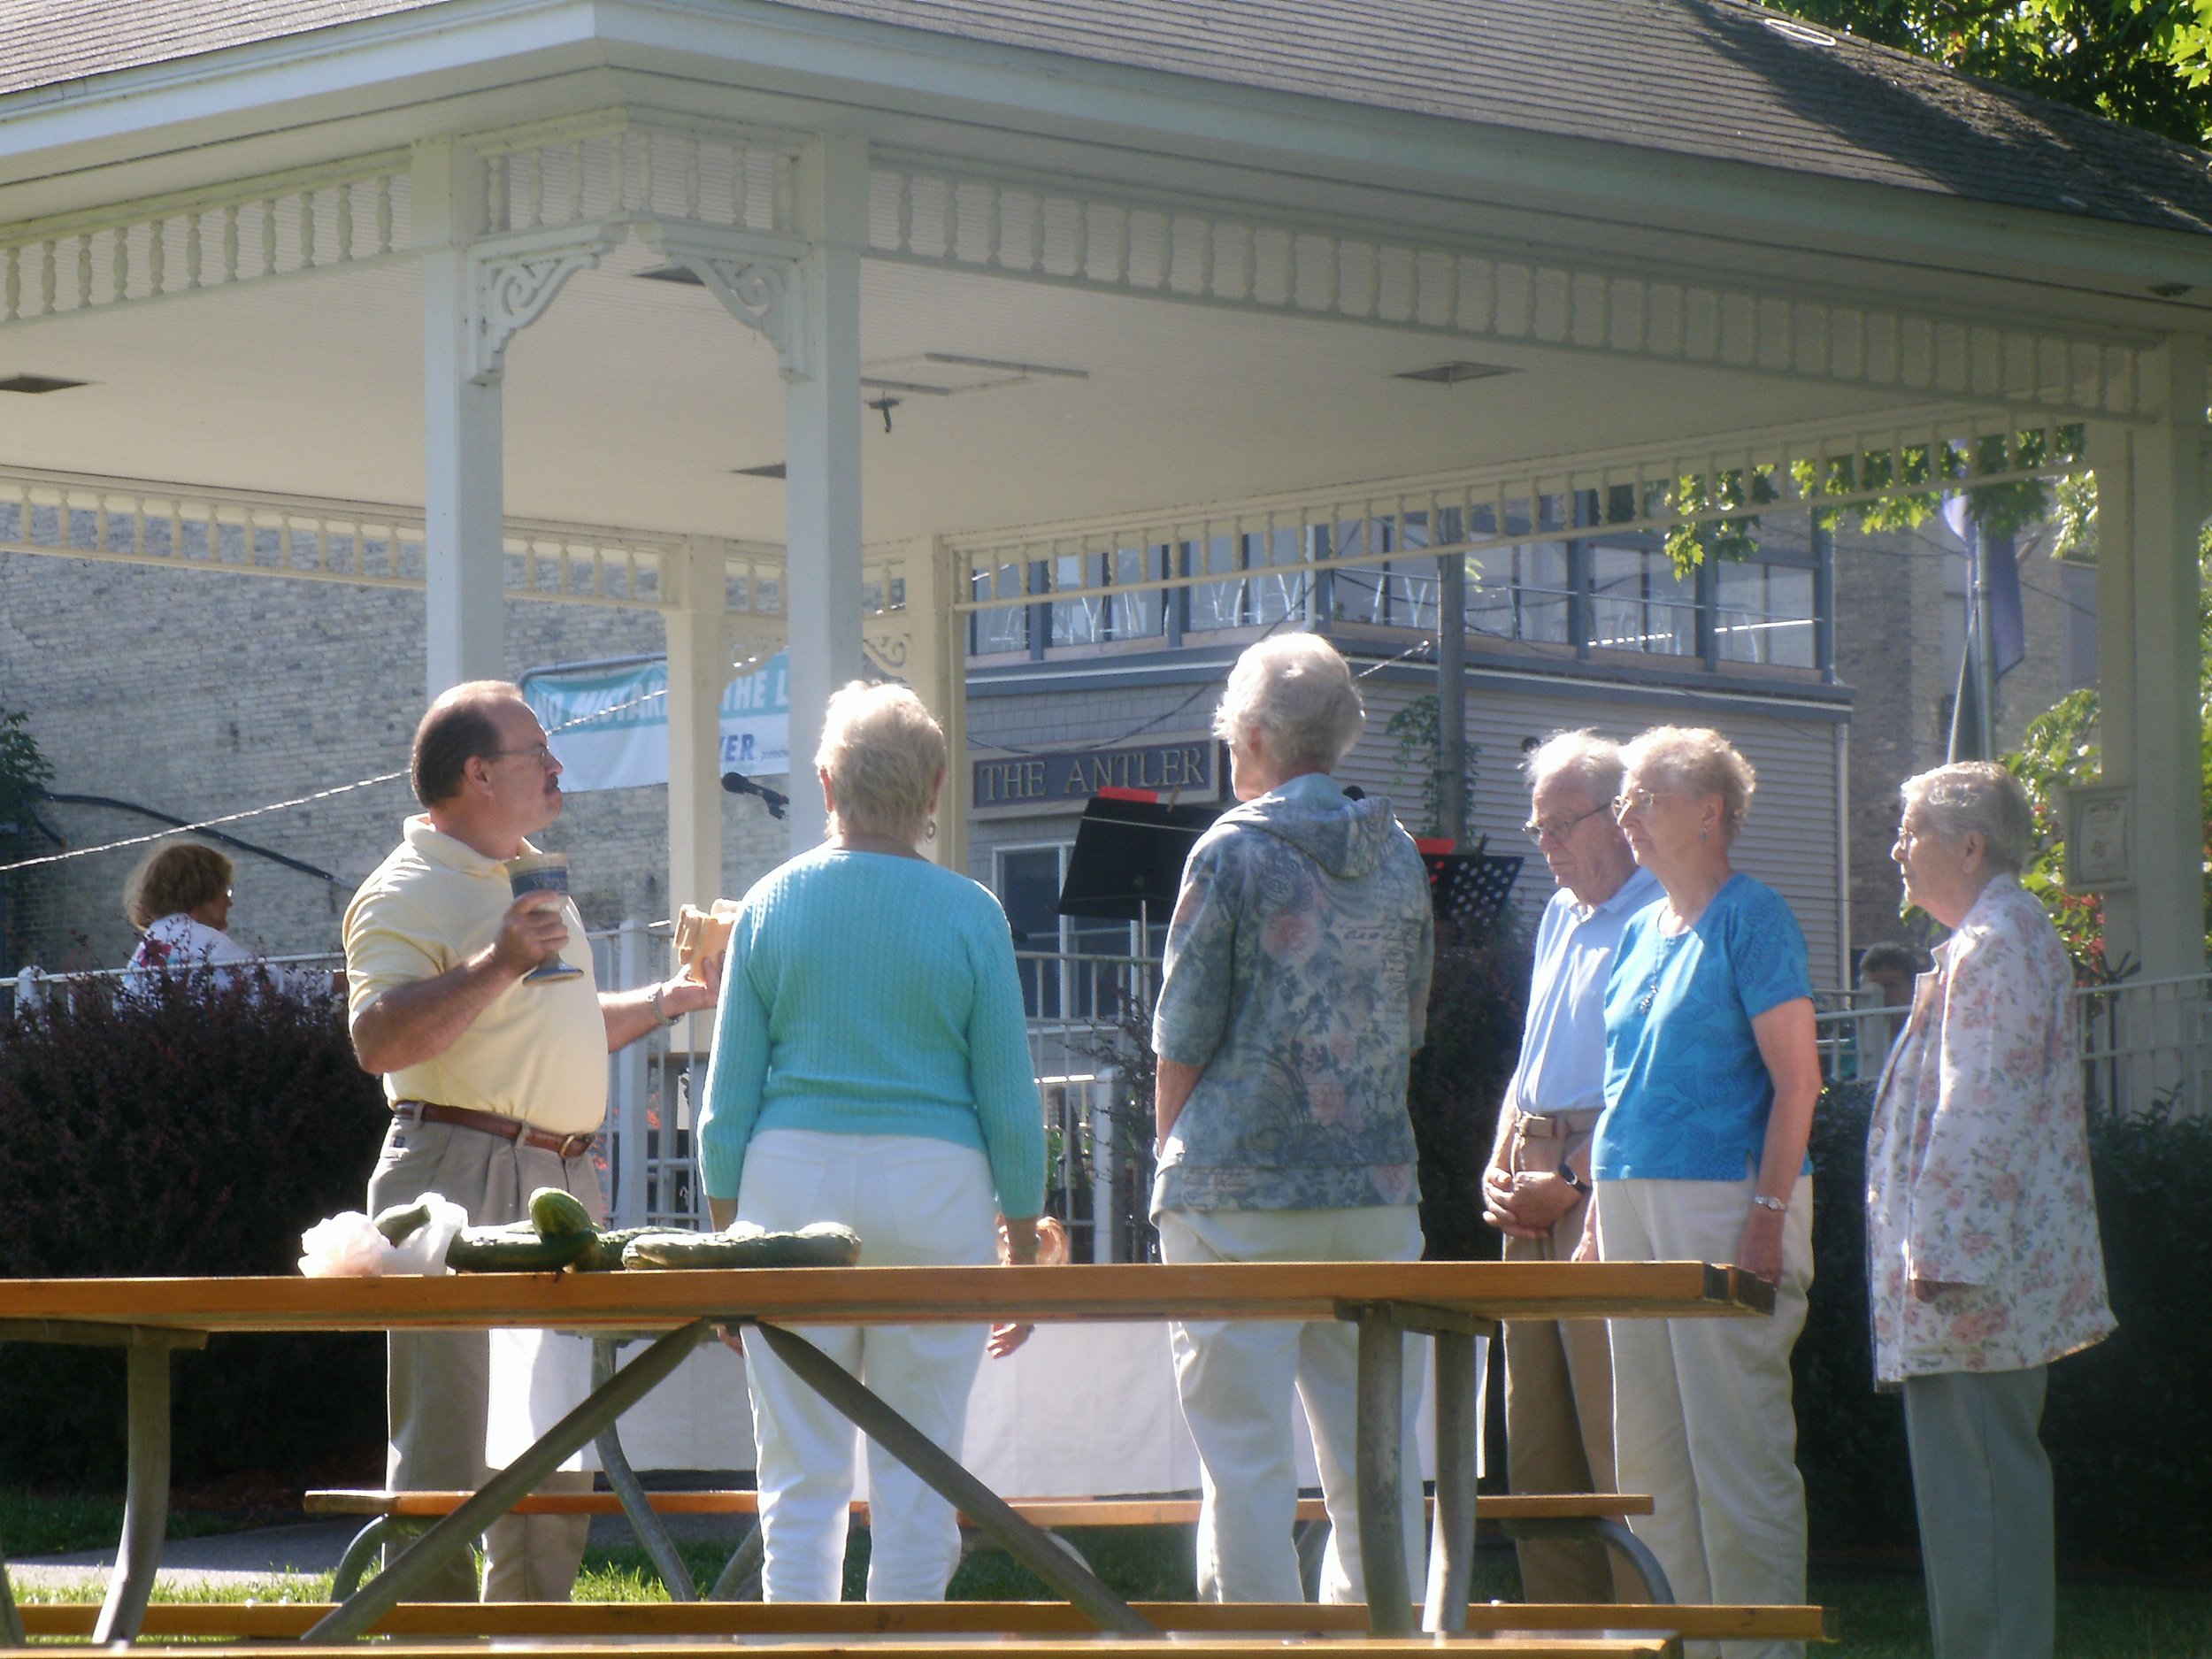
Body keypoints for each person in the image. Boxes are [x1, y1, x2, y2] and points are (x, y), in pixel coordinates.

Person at [344, 680, 718, 1601]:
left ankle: (530, 1635)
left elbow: (554, 1021)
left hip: (560, 1177)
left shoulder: (529, 873)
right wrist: (499, 959)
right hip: (452, 1173)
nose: (558, 768)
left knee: (560, 1447)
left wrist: (671, 999)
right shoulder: (403, 890)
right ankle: (430, 1637)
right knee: (449, 1441)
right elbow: (378, 1039)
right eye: (536, 756)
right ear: (477, 773)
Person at [695, 680, 1046, 1604]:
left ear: (823, 784)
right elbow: (1008, 1100)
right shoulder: (972, 912)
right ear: (933, 788)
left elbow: (724, 1109)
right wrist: (1020, 1240)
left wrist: (730, 1248)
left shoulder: (768, 904)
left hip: (789, 1186)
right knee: (919, 1466)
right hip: (936, 1190)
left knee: (799, 1476)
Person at [1150, 633, 1434, 1607]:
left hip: (1236, 1200)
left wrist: (1170, 1162)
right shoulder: (1397, 856)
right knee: (1379, 1463)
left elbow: (1182, 1034)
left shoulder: (1230, 852)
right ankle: (1385, 1639)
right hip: (1373, 1192)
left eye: (1232, 728)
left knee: (1244, 1463)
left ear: (1260, 736)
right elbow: (1412, 1020)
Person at [1576, 725, 1820, 1659]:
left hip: (1727, 1205)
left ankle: (1757, 1650)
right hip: (1634, 1204)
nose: (1625, 817)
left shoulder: (1754, 917)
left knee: (1734, 1452)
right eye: (1624, 800)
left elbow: (1797, 1082)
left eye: (1646, 798)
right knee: (1652, 1461)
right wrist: (1601, 1206)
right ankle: (1672, 1646)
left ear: (1709, 812)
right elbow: (1622, 1086)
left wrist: (1766, 1217)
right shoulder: (1639, 931)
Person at [1868, 762, 2115, 1659]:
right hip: (1967, 1293)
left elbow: (1983, 1103)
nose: (1896, 850)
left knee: (1980, 1513)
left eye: (1910, 832)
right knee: (1973, 1513)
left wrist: (1940, 1259)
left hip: (1970, 1297)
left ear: (1969, 845)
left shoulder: (1996, 941)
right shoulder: (1990, 936)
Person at [1480, 731, 1657, 1604]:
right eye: (1537, 827)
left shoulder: (1663, 909)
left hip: (1601, 1171)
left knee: (1611, 1428)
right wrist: (1499, 1160)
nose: (1545, 845)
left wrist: (1577, 1180)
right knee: (1535, 1436)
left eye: (1560, 825)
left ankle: (1640, 1624)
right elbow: (1531, 1056)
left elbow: (1650, 1071)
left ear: (1621, 819)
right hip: (1531, 1162)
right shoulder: (1560, 913)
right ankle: (1562, 1629)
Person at [122, 841, 254, 982]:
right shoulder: (203, 942)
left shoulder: (151, 944)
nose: (229, 903)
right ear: (203, 890)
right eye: (225, 891)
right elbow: (270, 981)